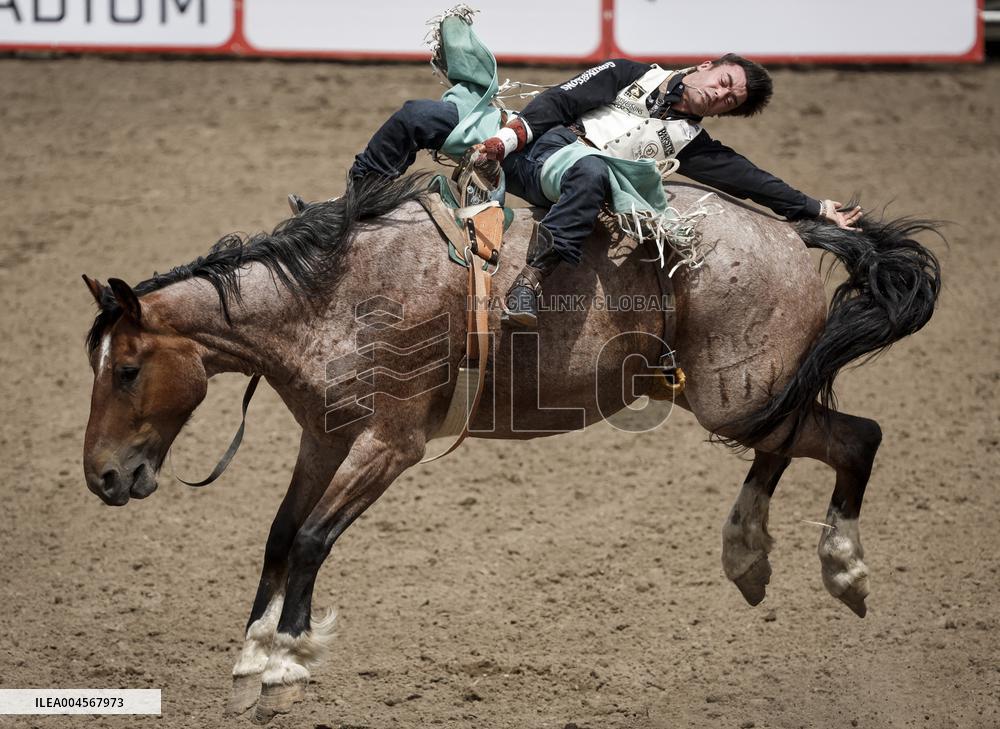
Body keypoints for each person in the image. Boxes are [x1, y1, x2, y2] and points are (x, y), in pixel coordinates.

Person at [348, 55, 862, 327]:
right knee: (418, 115)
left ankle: (532, 279)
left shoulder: (693, 145)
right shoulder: (626, 73)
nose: (722, 95)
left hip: (568, 171)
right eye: (725, 81)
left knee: (593, 172)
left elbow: (751, 180)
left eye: (731, 101)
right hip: (529, 138)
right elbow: (558, 101)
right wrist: (506, 139)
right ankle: (348, 209)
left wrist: (814, 208)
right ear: (708, 65)